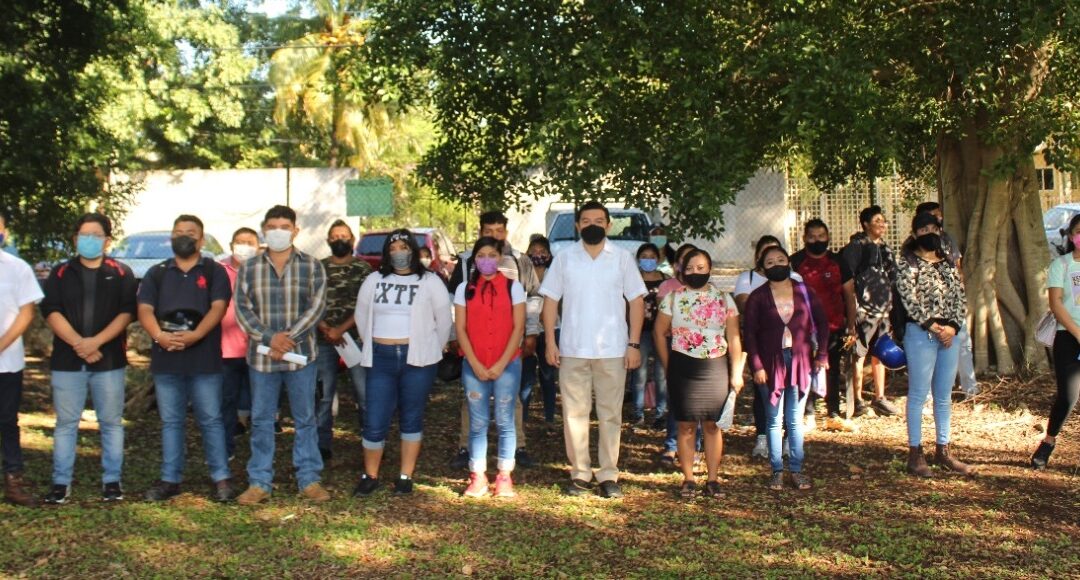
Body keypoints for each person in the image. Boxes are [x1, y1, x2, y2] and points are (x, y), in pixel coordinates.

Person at [541, 201, 647, 498]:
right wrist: (550, 341)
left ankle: (608, 474)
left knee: (611, 414)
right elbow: (550, 301)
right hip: (572, 348)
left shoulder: (622, 258)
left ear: (608, 225)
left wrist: (634, 344)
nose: (592, 225)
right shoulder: (564, 258)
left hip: (613, 349)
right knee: (574, 414)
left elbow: (636, 301)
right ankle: (580, 473)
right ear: (577, 225)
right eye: (586, 221)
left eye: (599, 220)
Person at [234, 205, 330, 505]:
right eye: (272, 226)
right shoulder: (249, 267)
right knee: (262, 420)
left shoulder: (312, 266)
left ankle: (309, 479)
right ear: (264, 230)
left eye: (284, 227)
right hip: (262, 359)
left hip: (301, 356)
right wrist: (270, 338)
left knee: (305, 419)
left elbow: (317, 307)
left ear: (295, 231)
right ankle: (259, 481)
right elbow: (242, 309)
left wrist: (287, 340)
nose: (278, 232)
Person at [41, 213, 137, 504]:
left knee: (111, 422)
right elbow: (51, 311)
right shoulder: (60, 273)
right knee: (66, 423)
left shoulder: (122, 273)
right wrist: (79, 343)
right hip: (67, 361)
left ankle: (112, 482)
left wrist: (95, 342)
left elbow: (127, 312)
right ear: (75, 239)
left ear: (107, 241)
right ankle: (61, 483)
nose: (89, 240)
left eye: (96, 235)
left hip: (109, 361)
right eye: (84, 234)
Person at [137, 214, 234, 502]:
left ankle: (221, 478)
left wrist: (197, 335)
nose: (184, 237)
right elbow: (144, 309)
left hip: (204, 359)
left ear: (201, 240)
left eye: (190, 233)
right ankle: (170, 479)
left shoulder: (214, 271)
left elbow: (218, 307)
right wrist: (159, 336)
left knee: (211, 419)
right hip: (166, 358)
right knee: (171, 421)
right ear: (171, 237)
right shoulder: (156, 273)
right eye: (178, 231)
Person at [353, 229, 452, 497]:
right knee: (374, 419)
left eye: (404, 247)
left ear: (413, 250)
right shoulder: (374, 280)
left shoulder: (430, 281)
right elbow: (361, 316)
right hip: (381, 359)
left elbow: (444, 321)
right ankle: (370, 475)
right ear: (387, 252)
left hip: (417, 359)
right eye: (393, 248)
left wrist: (433, 348)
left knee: (411, 417)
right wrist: (373, 342)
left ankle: (405, 476)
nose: (399, 252)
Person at [448, 211, 541, 470]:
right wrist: (454, 336)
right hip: (475, 349)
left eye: (499, 231)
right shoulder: (466, 261)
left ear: (506, 233)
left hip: (509, 348)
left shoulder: (521, 261)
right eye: (489, 231)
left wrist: (531, 332)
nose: (495, 236)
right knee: (472, 404)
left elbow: (533, 297)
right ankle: (467, 448)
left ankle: (518, 448)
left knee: (510, 403)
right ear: (480, 233)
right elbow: (453, 302)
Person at [654, 249, 743, 499]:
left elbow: (734, 338)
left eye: (701, 267)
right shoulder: (672, 298)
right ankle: (689, 479)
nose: (695, 272)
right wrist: (668, 364)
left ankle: (713, 479)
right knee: (685, 425)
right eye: (690, 268)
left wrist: (737, 372)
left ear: (710, 269)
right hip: (682, 366)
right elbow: (659, 333)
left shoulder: (724, 299)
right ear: (682, 270)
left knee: (713, 425)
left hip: (715, 367)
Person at [744, 245, 828, 490]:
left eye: (781, 259)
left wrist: (822, 354)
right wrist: (757, 366)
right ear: (762, 269)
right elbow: (749, 334)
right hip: (770, 364)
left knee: (795, 419)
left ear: (789, 262)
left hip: (801, 361)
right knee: (773, 419)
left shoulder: (805, 291)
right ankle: (777, 471)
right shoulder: (757, 297)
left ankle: (797, 469)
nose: (776, 265)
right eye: (770, 262)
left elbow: (822, 323)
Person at [895, 212, 973, 477]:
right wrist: (933, 326)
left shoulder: (948, 262)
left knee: (943, 395)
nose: (929, 233)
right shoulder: (907, 263)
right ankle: (915, 453)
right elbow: (909, 299)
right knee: (918, 393)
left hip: (949, 335)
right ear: (915, 234)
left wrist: (953, 327)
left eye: (933, 228)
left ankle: (943, 449)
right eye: (923, 229)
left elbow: (960, 297)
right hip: (921, 334)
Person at [455, 237, 527, 497]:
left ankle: (504, 476)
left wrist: (501, 363)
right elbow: (460, 328)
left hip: (507, 364)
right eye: (481, 255)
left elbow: (518, 328)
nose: (487, 260)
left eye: (492, 255)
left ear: (500, 258)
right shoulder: (464, 289)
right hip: (474, 365)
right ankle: (478, 476)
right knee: (478, 422)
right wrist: (474, 363)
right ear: (474, 259)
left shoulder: (513, 287)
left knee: (506, 419)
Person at [735, 236, 803, 459]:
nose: (774, 262)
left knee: (792, 397)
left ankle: (789, 441)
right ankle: (763, 437)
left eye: (779, 257)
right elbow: (745, 306)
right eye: (768, 257)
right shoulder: (749, 280)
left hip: (793, 350)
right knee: (764, 395)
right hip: (764, 348)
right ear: (760, 260)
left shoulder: (797, 281)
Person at [790, 219, 858, 433]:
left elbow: (849, 295)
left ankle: (833, 413)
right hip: (803, 328)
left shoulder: (838, 262)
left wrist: (851, 325)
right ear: (804, 238)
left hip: (833, 325)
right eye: (812, 237)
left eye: (821, 236)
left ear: (828, 237)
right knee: (805, 369)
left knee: (832, 369)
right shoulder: (796, 262)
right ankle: (808, 413)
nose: (816, 240)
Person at [315, 219, 373, 462]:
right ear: (328, 240)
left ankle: (370, 441)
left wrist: (340, 329)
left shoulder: (364, 269)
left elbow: (367, 305)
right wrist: (325, 327)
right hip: (322, 339)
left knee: (364, 394)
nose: (339, 240)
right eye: (335, 236)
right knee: (324, 395)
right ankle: (322, 444)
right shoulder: (317, 268)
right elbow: (309, 302)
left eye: (344, 236)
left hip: (355, 338)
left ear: (353, 240)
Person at [910, 201, 977, 398]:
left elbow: (957, 268)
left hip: (951, 306)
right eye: (933, 216)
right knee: (928, 352)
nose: (938, 219)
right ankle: (928, 397)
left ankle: (970, 389)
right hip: (926, 311)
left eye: (938, 217)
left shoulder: (947, 240)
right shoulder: (911, 248)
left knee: (963, 344)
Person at [1031, 213, 1080, 470]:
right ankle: (1048, 441)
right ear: (1071, 236)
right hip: (1067, 337)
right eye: (1079, 232)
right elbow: (1056, 303)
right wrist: (1077, 333)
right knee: (1068, 396)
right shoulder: (1061, 265)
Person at [842, 206, 901, 418]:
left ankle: (880, 397)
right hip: (864, 311)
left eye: (883, 221)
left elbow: (894, 279)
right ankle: (857, 400)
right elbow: (848, 281)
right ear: (865, 224)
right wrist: (854, 312)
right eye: (877, 221)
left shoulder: (885, 249)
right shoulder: (856, 247)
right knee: (859, 353)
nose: (882, 225)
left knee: (880, 352)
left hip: (883, 310)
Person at [0, 229, 43, 506]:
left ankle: (13, 480)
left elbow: (27, 313)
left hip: (7, 361)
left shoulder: (18, 268)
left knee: (7, 420)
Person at [220, 227, 259, 460]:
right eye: (239, 241)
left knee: (260, 403)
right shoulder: (219, 270)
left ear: (258, 246)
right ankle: (225, 448)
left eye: (249, 242)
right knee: (226, 400)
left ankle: (259, 453)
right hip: (226, 348)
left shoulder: (264, 271)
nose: (244, 246)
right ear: (231, 245)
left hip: (258, 349)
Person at [521, 235, 559, 430]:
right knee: (526, 376)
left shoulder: (555, 274)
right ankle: (522, 418)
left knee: (548, 374)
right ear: (527, 253)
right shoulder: (521, 273)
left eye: (542, 252)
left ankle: (549, 417)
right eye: (534, 251)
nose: (538, 255)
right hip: (525, 331)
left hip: (550, 330)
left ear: (549, 255)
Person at [630, 243, 670, 428]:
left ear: (658, 259)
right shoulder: (633, 280)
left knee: (662, 374)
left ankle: (661, 414)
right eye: (644, 257)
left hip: (662, 332)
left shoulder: (666, 280)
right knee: (640, 373)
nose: (648, 260)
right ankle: (638, 414)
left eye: (652, 257)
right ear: (638, 260)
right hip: (641, 332)